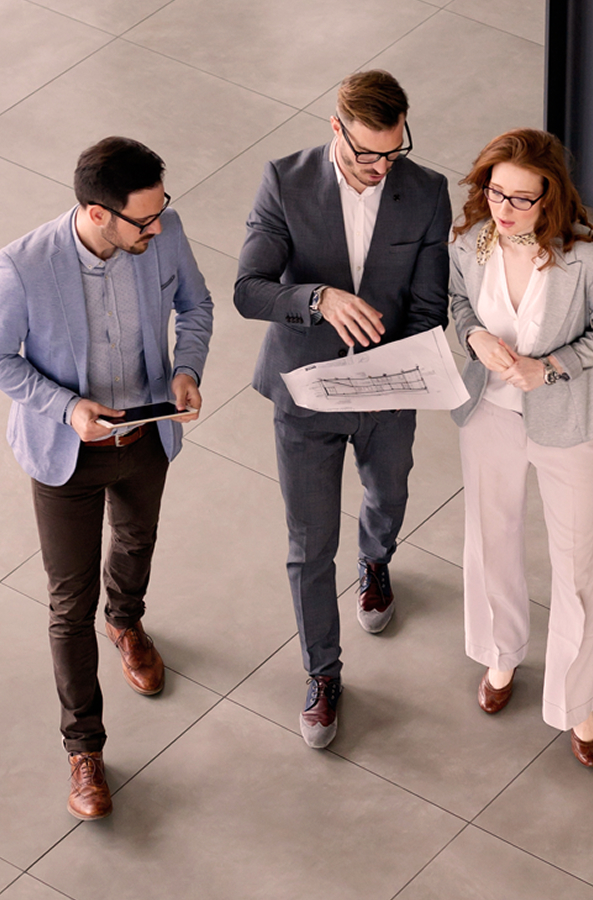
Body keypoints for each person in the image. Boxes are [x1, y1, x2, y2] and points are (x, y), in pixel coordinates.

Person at [0, 137, 213, 818]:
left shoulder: (162, 231)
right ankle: (85, 750)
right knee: (67, 604)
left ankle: (128, 620)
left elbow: (196, 306)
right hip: (66, 454)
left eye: (162, 210)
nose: (158, 227)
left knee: (137, 541)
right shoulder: (23, 266)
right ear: (97, 213)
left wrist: (186, 370)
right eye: (144, 219)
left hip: (146, 434)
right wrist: (67, 407)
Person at [235, 70, 450, 749]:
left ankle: (377, 558)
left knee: (389, 494)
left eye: (394, 151)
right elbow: (250, 289)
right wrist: (319, 299)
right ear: (336, 130)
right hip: (303, 395)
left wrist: (405, 365)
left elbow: (427, 305)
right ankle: (323, 674)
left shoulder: (427, 193)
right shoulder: (285, 181)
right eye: (367, 154)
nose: (382, 167)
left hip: (389, 392)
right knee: (309, 545)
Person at [448, 128, 593, 767]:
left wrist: (545, 367)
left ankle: (577, 701)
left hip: (569, 424)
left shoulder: (581, 256)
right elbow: (457, 306)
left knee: (575, 564)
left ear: (549, 199)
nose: (505, 208)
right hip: (488, 415)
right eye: (496, 192)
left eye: (522, 200)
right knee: (490, 536)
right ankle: (502, 655)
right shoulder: (470, 241)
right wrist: (473, 340)